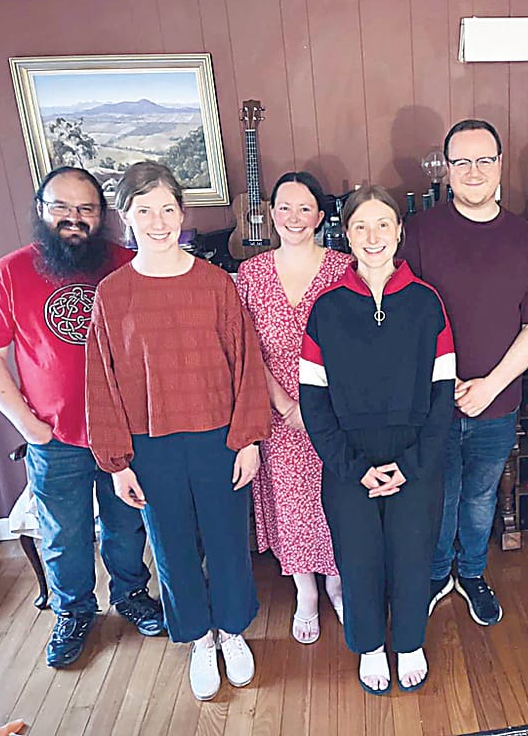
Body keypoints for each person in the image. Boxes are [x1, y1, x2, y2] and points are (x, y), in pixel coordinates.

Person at [85, 161, 270, 701]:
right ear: (125, 218)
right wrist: (117, 463)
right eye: (144, 210)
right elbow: (103, 381)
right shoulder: (113, 293)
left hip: (218, 439)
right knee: (171, 548)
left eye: (167, 208)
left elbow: (246, 363)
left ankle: (232, 632)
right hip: (151, 445)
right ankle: (197, 638)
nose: (158, 221)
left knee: (228, 542)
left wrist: (249, 439)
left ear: (182, 213)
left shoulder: (216, 284)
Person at [0, 166, 163, 669]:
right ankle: (74, 613)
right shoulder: (7, 274)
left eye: (86, 209)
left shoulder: (129, 263)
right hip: (55, 438)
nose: (74, 219)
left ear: (103, 216)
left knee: (126, 524)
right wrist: (29, 426)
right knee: (63, 533)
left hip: (125, 433)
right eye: (62, 207)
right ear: (41, 209)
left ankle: (131, 596)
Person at [402, 119, 528, 626]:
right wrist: (442, 387)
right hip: (433, 403)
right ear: (447, 170)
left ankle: (471, 573)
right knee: (438, 494)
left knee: (480, 497)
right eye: (462, 161)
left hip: (497, 403)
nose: (474, 171)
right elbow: (402, 319)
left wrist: (491, 385)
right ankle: (435, 574)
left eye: (484, 160)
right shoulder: (420, 233)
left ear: (500, 166)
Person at [299, 185, 455, 694]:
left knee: (412, 554)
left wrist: (410, 466)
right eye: (361, 226)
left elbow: (442, 394)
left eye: (383, 224)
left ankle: (409, 641)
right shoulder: (327, 308)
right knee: (358, 558)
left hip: (417, 457)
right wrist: (353, 467)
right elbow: (314, 401)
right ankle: (369, 645)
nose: (373, 236)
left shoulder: (427, 303)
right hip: (349, 461)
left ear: (399, 232)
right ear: (345, 234)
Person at [236, 172, 348, 645]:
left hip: (339, 410)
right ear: (270, 213)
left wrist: (320, 406)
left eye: (305, 208)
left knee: (339, 500)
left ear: (320, 216)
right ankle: (305, 591)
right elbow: (245, 349)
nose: (294, 218)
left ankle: (339, 585)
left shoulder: (346, 267)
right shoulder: (251, 274)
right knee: (293, 502)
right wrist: (286, 405)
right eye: (285, 207)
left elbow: (361, 343)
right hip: (278, 414)